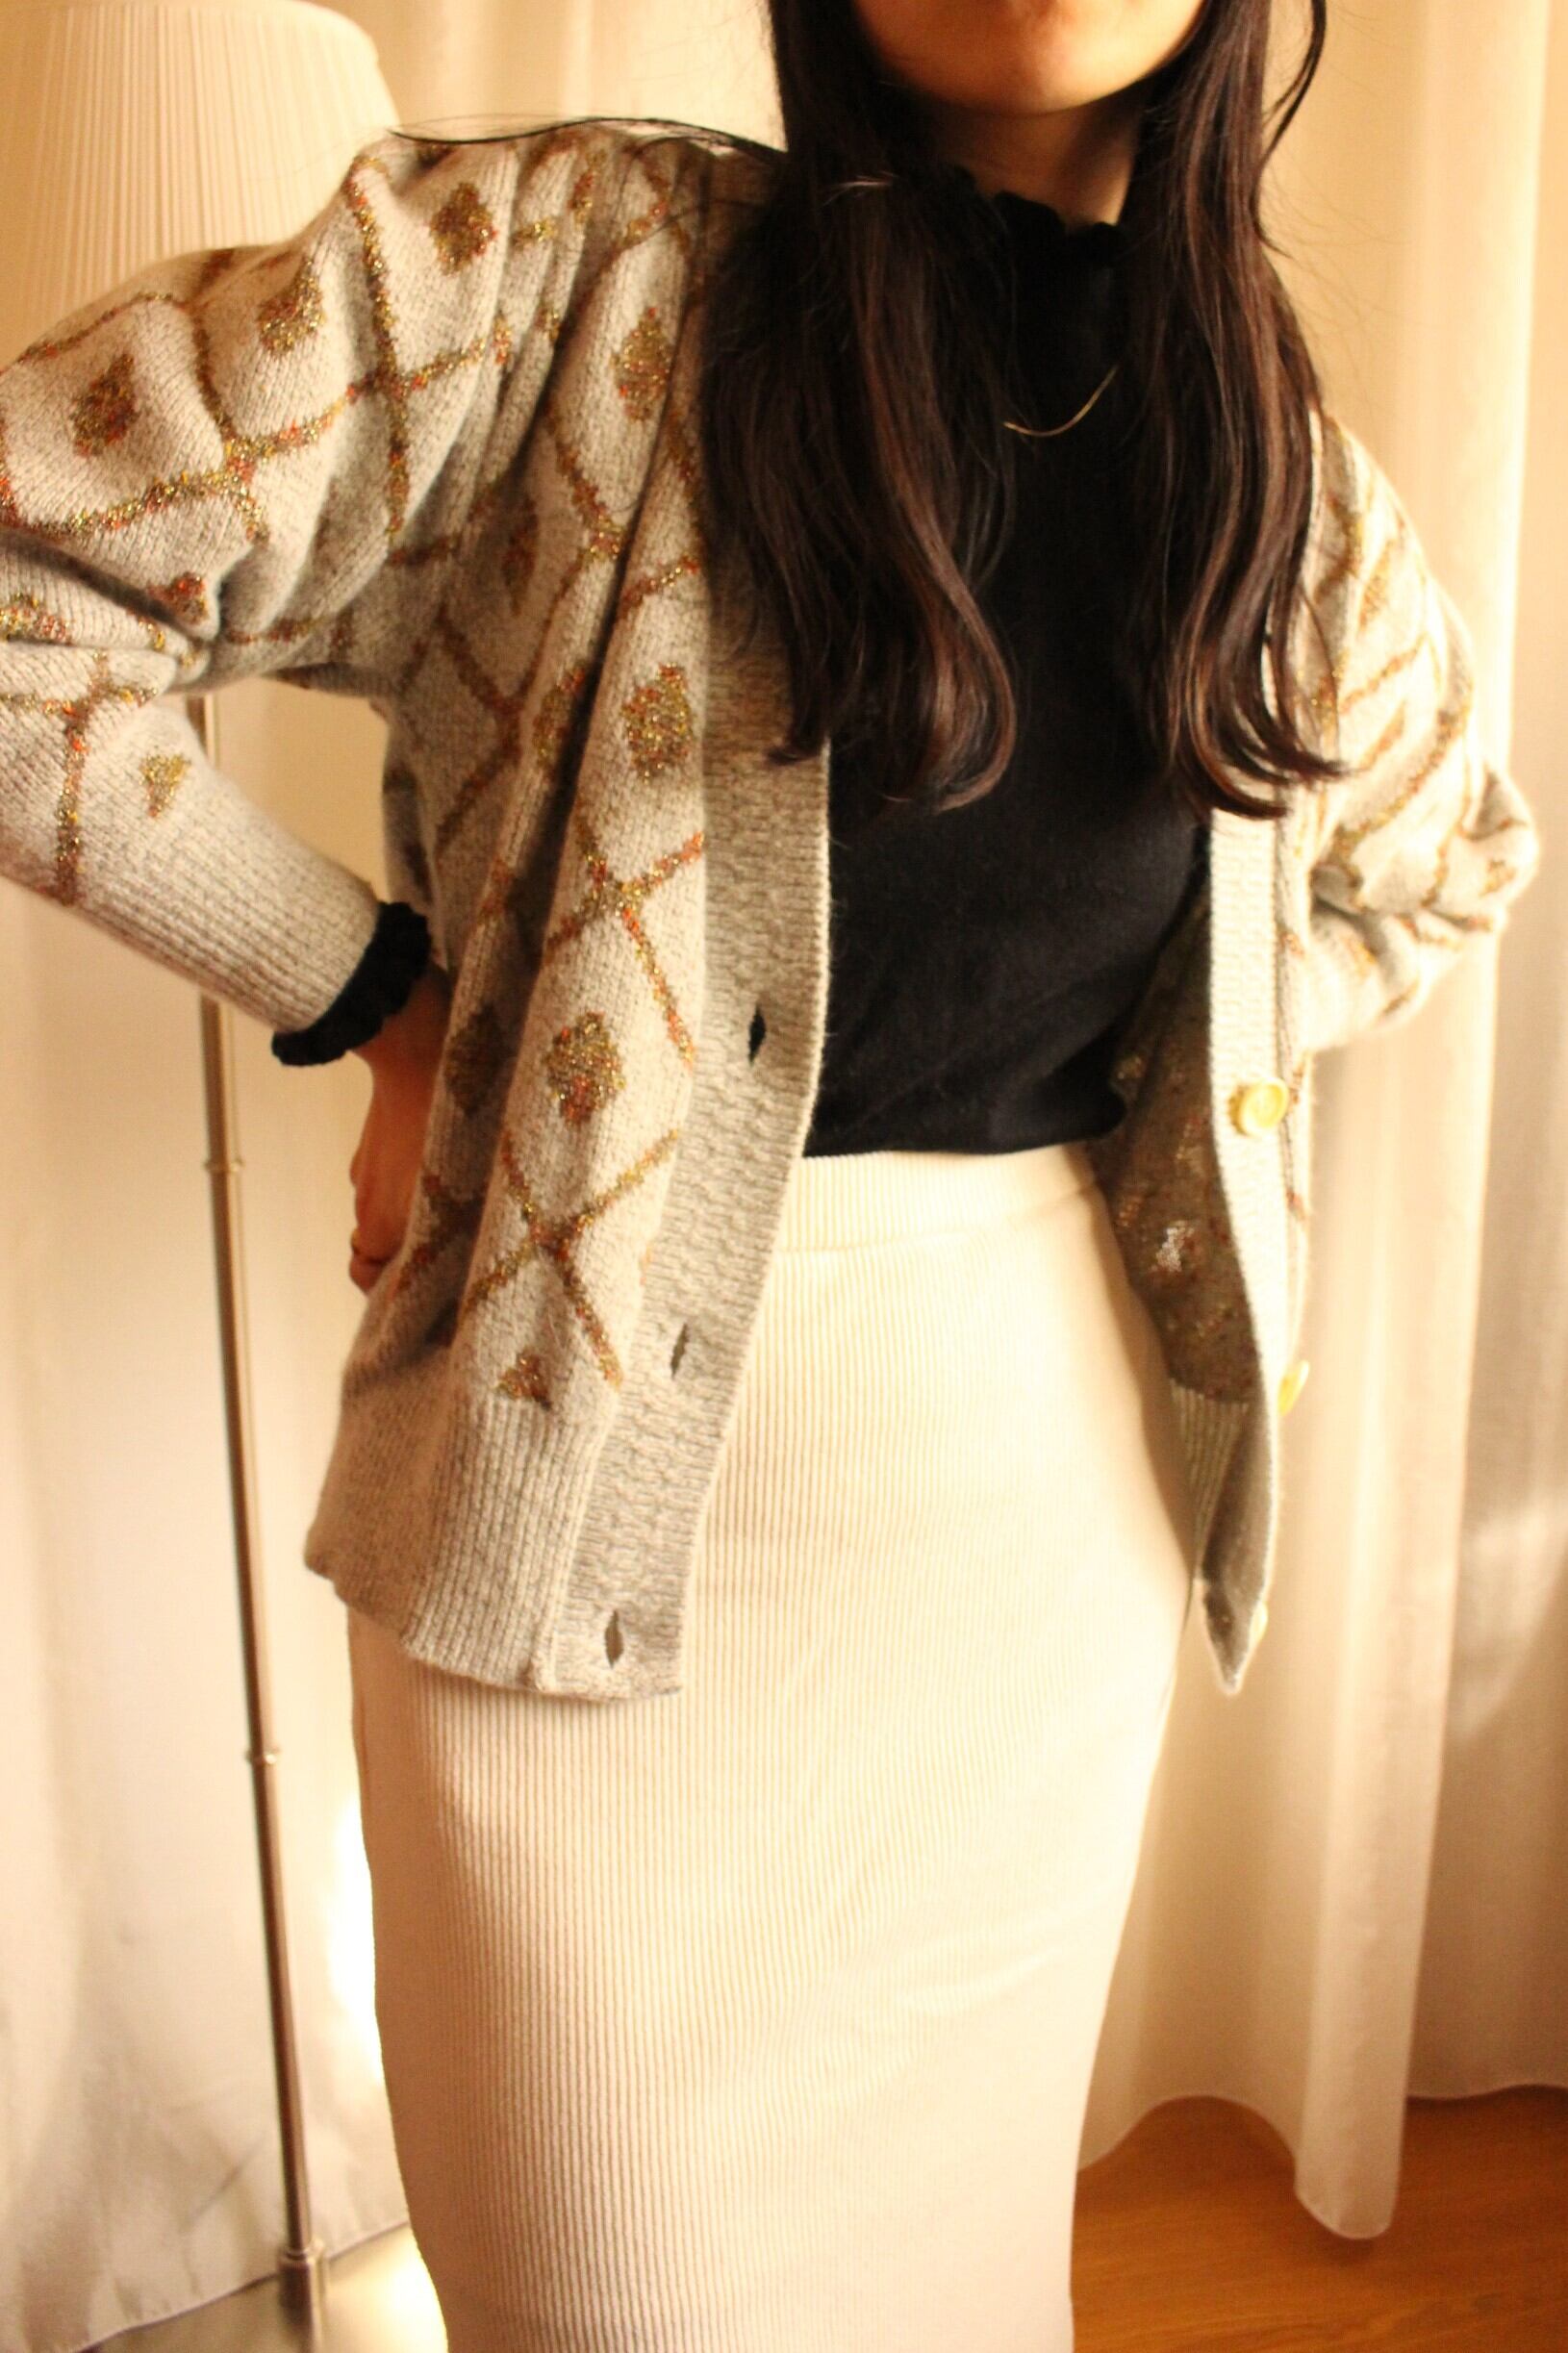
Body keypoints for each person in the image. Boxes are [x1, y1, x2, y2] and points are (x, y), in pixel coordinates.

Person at [0, 2, 1541, 2346]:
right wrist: (376, 999)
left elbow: (1444, 863)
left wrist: (1198, 1060)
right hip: (577, 1545)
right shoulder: (553, 272)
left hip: (1035, 1533)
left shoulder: (1266, 465)